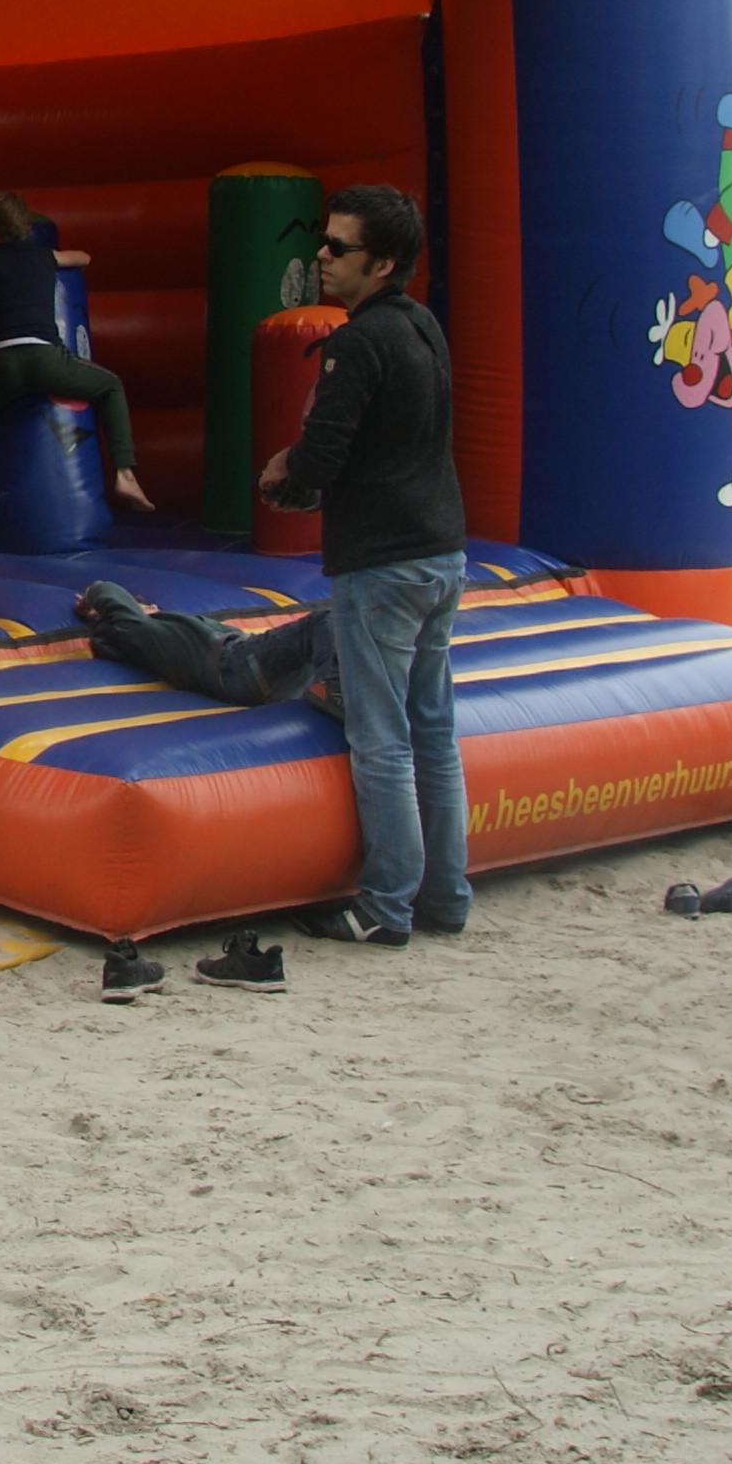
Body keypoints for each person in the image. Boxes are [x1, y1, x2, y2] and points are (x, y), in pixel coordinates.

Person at [261, 185, 469, 953]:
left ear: (381, 264)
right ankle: (445, 894)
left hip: (380, 565)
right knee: (433, 733)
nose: (320, 258)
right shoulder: (422, 327)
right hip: (441, 553)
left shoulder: (358, 342)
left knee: (380, 737)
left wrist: (286, 473)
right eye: (322, 244)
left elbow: (325, 448)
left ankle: (386, 905)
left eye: (338, 249)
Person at [0, 189, 152, 541]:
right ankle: (125, 474)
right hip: (46, 359)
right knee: (110, 385)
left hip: (2, 364)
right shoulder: (42, 257)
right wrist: (55, 260)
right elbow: (83, 258)